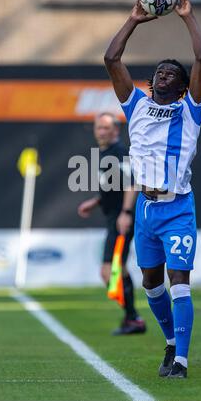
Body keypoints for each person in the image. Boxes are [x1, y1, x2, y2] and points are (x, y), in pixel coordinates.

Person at [104, 0, 201, 378]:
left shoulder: (190, 109)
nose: (163, 73)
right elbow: (111, 59)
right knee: (151, 284)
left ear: (183, 87)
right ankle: (169, 342)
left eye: (171, 72)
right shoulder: (135, 104)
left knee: (178, 281)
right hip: (147, 210)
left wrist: (188, 16)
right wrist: (133, 19)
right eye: (159, 71)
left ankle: (181, 361)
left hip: (178, 207)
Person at [77, 112, 146, 335]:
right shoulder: (106, 154)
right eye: (99, 128)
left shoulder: (119, 153)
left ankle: (133, 318)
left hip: (121, 218)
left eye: (106, 128)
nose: (101, 132)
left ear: (116, 130)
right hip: (114, 216)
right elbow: (113, 187)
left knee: (110, 271)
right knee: (116, 269)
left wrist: (126, 213)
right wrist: (96, 202)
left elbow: (131, 185)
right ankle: (131, 317)